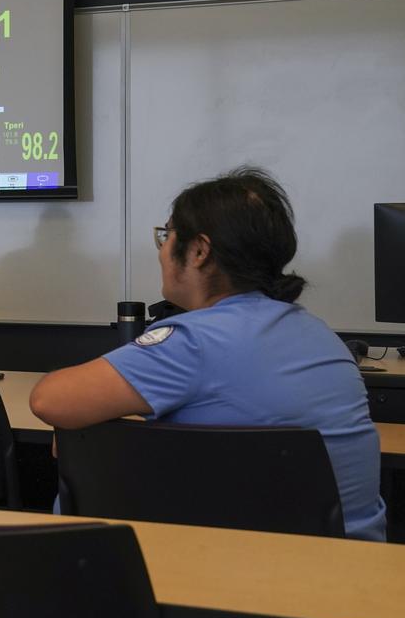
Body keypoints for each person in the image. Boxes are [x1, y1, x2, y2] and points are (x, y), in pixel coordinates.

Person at [29, 167, 386, 541]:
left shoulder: (192, 342)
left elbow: (50, 399)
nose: (162, 250)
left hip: (225, 566)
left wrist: (89, 429)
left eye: (167, 236)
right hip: (347, 568)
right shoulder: (320, 334)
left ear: (199, 251)